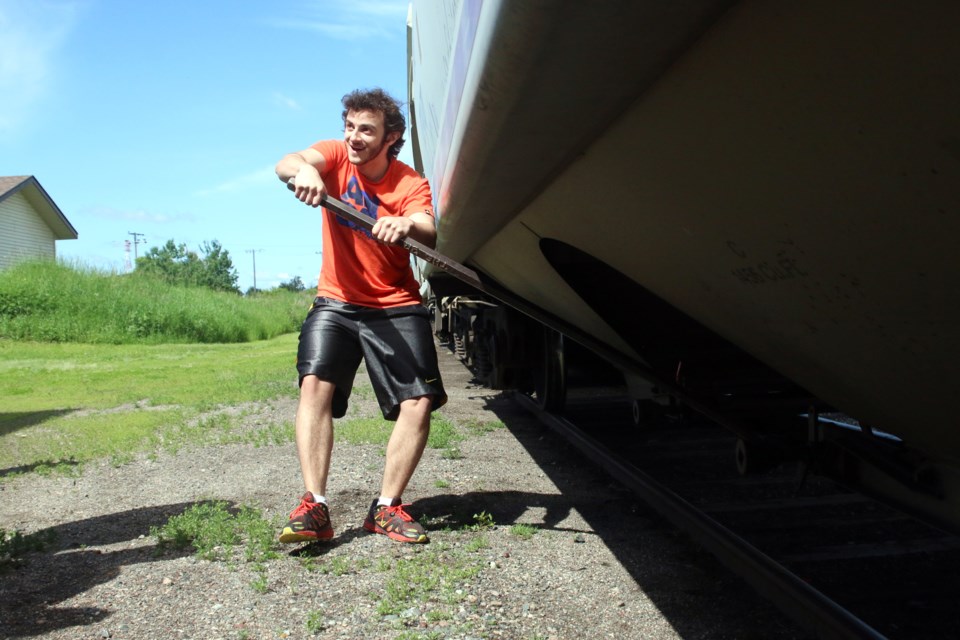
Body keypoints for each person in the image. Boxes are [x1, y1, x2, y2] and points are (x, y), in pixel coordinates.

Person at [275, 87, 447, 544]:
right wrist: (308, 170)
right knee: (315, 385)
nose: (353, 137)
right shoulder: (334, 157)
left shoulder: (410, 183)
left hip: (395, 304)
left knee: (419, 401)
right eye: (349, 127)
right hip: (337, 300)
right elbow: (286, 163)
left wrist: (407, 224)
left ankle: (386, 508)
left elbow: (428, 227)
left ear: (391, 136)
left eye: (366, 130)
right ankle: (314, 506)